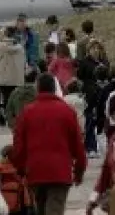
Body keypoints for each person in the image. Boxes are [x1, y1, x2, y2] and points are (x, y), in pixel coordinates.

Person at [10, 74, 86, 215]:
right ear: (54, 88)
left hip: (35, 171)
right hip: (60, 172)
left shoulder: (27, 112)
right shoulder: (67, 111)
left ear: (37, 88)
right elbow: (77, 144)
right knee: (54, 209)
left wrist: (20, 169)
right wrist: (79, 171)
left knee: (40, 208)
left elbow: (18, 144)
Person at [0, 28, 27, 120]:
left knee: (5, 98)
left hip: (3, 78)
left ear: (4, 34)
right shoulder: (20, 48)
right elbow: (24, 63)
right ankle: (16, 117)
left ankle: (6, 116)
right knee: (16, 99)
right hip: (18, 79)